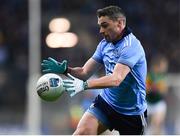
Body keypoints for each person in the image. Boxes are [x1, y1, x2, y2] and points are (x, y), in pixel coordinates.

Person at [41, 5, 147, 135]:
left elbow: (116, 79)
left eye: (105, 25)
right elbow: (85, 72)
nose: (101, 31)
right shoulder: (104, 45)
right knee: (81, 133)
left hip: (132, 112)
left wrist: (84, 86)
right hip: (106, 104)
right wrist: (66, 70)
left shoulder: (131, 46)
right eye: (100, 26)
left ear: (120, 23)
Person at [146, 55, 169, 134]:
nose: (165, 67)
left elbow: (164, 91)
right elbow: (146, 89)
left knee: (157, 124)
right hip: (148, 103)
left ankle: (155, 130)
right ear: (158, 65)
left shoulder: (162, 76)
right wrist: (152, 88)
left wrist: (159, 89)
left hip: (158, 103)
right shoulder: (149, 75)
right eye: (164, 65)